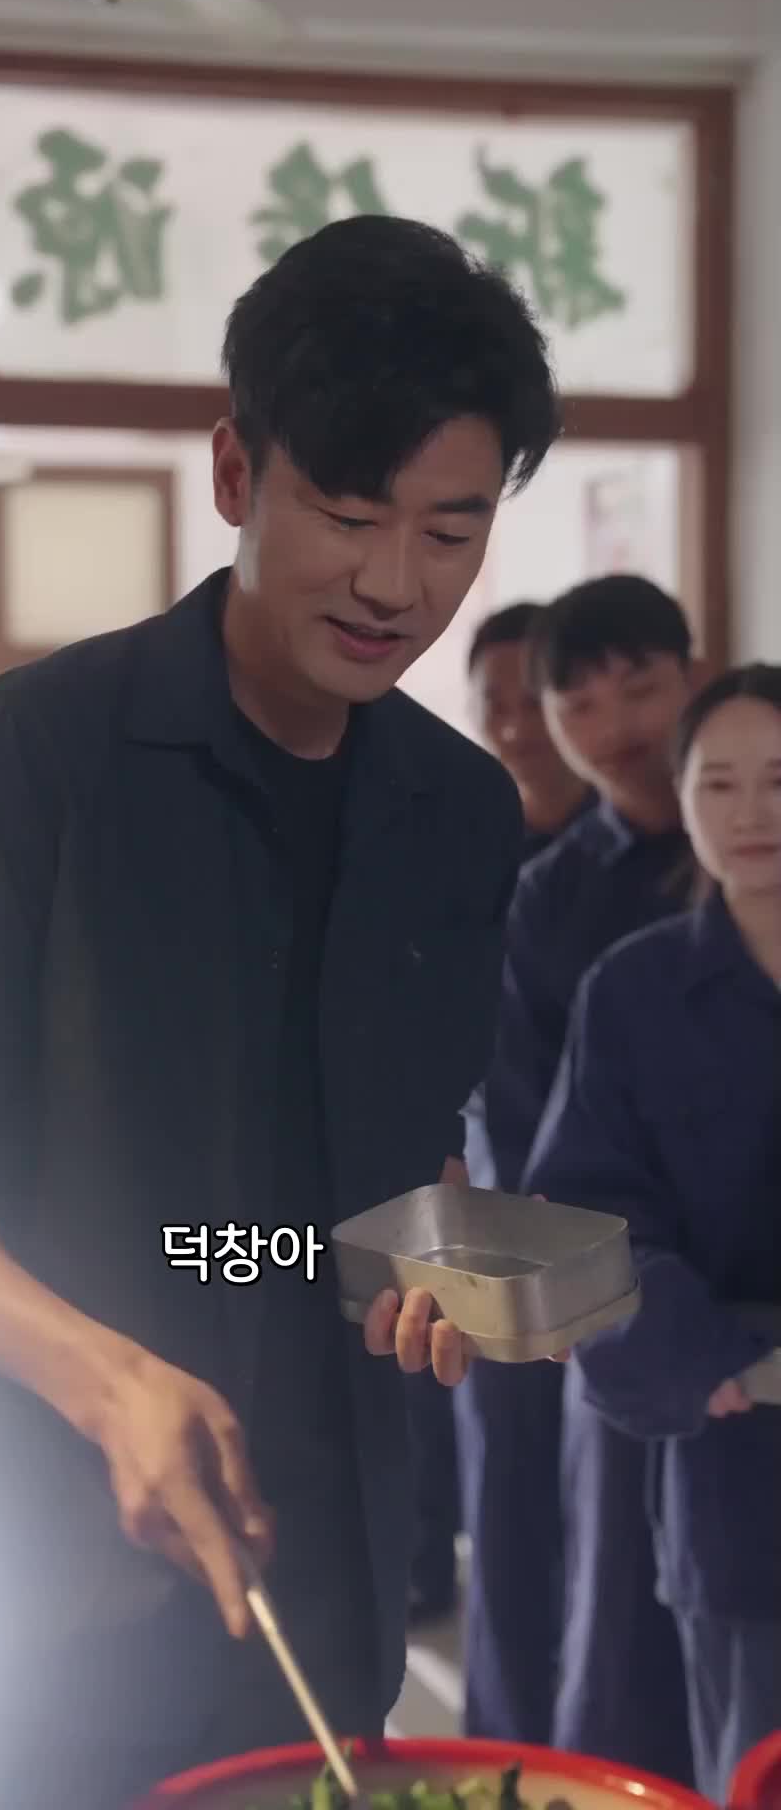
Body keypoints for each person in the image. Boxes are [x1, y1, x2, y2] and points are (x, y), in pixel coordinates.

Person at [0, 214, 560, 1810]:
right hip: (47, 1570)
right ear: (236, 473)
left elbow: (404, 1159)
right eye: (347, 515)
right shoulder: (27, 759)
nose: (396, 584)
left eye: (450, 531)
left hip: (332, 1570)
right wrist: (109, 1380)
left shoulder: (459, 813)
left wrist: (446, 1259)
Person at [527, 662, 781, 1803]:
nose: (752, 812)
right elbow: (580, 1220)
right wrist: (703, 1357)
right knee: (752, 1754)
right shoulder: (631, 992)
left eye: (779, 780)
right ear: (680, 800)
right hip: (734, 1450)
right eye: (719, 783)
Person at [457, 575, 697, 1779]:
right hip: (577, 1277)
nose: (615, 724)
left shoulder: (742, 859)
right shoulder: (548, 894)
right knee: (562, 1564)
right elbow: (518, 1121)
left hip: (730, 1275)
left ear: (692, 676)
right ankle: (529, 1773)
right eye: (580, 702)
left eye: (639, 686)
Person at [406, 602, 591, 1625]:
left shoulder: (632, 856)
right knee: (486, 1442)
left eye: (536, 699)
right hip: (481, 1168)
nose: (519, 725)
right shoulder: (462, 839)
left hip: (595, 1195)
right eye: (497, 704)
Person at [467, 601, 593, 858]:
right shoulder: (463, 840)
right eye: (496, 708)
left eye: (534, 704)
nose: (516, 730)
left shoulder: (637, 815)